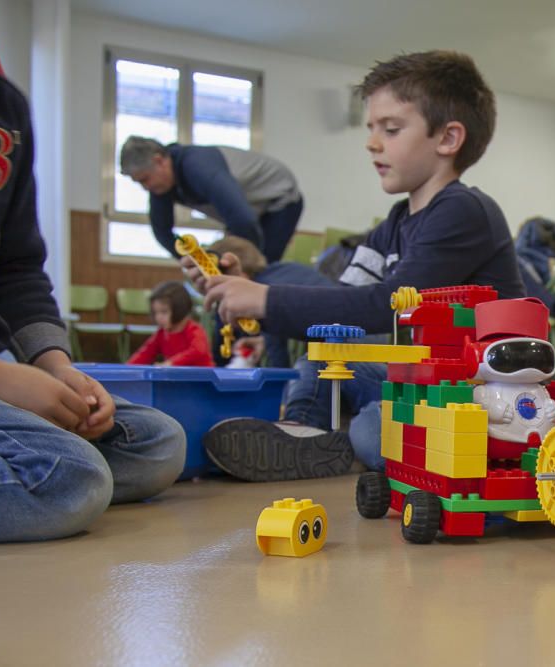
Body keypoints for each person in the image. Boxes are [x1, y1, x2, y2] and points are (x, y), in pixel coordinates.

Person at [184, 50, 525, 482]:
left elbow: (383, 305)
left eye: (391, 129)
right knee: (327, 350)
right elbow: (341, 307)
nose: (372, 142)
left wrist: (266, 299)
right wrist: (248, 285)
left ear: (447, 139)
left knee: (371, 427)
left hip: (480, 395)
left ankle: (343, 439)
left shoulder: (464, 211)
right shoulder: (394, 225)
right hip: (426, 385)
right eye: (371, 129)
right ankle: (303, 431)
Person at [0, 4, 186, 545]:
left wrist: (53, 366)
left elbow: (16, 270)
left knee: (153, 444)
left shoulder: (2, 105)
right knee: (68, 478)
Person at [119, 136, 303, 263]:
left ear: (159, 161)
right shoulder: (161, 185)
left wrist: (244, 265)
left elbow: (243, 219)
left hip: (280, 199)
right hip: (247, 211)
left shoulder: (198, 166)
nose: (145, 188)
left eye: (145, 179)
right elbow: (162, 232)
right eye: (139, 184)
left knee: (257, 269)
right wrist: (199, 260)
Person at [206, 235, 334, 368]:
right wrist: (263, 341)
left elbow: (277, 346)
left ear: (241, 276)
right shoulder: (286, 268)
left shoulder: (262, 293)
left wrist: (280, 380)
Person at [126, 281, 214, 367]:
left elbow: (198, 350)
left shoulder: (193, 329)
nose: (158, 317)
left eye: (163, 312)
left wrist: (171, 363)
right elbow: (145, 353)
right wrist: (126, 369)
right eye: (155, 312)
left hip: (202, 379)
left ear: (179, 309)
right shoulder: (161, 334)